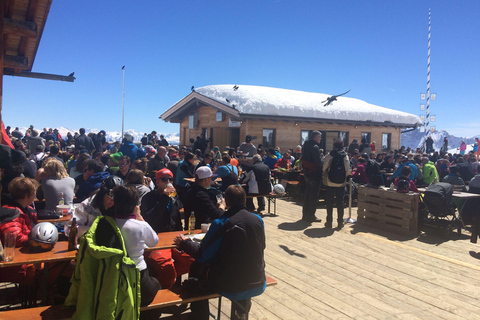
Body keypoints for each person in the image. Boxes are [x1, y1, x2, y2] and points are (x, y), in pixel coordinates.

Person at [174, 185, 266, 320]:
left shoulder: (220, 223)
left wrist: (184, 243)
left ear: (226, 202)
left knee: (196, 269)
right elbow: (262, 246)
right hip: (257, 279)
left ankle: (200, 316)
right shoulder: (258, 220)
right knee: (242, 264)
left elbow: (203, 255)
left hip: (229, 283)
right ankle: (240, 314)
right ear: (245, 201)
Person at [113, 185, 161, 306]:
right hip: (139, 278)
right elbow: (154, 241)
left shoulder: (105, 223)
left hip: (114, 280)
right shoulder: (140, 226)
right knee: (157, 283)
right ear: (135, 205)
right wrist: (140, 217)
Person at [322, 139, 350, 229]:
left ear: (334, 146)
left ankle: (329, 221)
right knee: (340, 202)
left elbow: (325, 166)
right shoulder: (345, 155)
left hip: (329, 181)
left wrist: (325, 172)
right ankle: (340, 222)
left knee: (329, 202)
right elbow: (347, 168)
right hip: (341, 182)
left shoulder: (330, 154)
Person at [301, 131, 323, 222]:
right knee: (313, 196)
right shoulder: (315, 147)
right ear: (315, 137)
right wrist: (323, 161)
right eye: (319, 137)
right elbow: (317, 162)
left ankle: (305, 214)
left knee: (307, 194)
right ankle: (311, 215)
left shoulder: (305, 146)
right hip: (314, 174)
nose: (320, 139)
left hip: (306, 173)